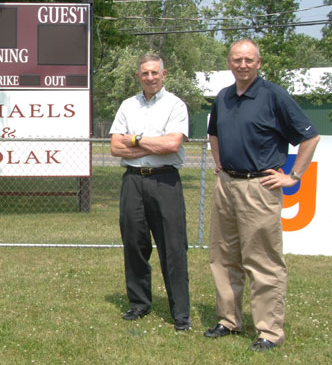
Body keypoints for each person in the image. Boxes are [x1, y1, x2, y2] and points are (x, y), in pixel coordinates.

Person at [205, 38, 320, 351]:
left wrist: (293, 175)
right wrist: (219, 163)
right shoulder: (224, 96)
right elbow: (213, 132)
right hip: (227, 185)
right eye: (237, 59)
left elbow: (310, 136)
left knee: (263, 261)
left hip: (260, 187)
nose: (242, 65)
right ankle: (228, 320)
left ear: (258, 63)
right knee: (223, 256)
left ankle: (268, 331)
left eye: (249, 60)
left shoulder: (273, 95)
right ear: (229, 62)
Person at [110, 53, 191, 331]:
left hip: (165, 182)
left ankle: (180, 312)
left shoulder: (175, 105)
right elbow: (115, 148)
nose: (150, 77)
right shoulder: (127, 106)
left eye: (155, 73)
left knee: (173, 247)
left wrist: (136, 139)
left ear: (164, 75)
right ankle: (139, 303)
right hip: (133, 181)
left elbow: (171, 144)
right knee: (134, 244)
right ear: (138, 76)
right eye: (145, 73)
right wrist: (149, 143)